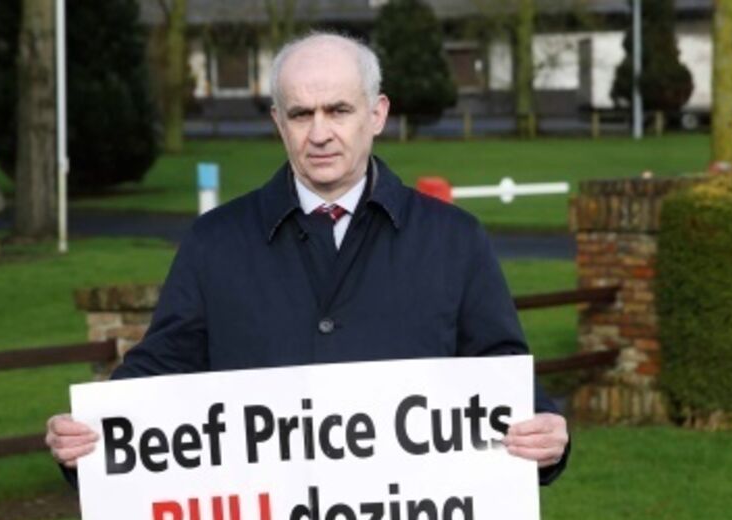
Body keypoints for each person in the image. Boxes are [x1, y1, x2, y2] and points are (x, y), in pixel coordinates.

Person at [46, 32, 569, 482]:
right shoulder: (215, 243)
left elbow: (501, 377)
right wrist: (90, 434)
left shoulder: (454, 240)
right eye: (301, 114)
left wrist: (543, 429)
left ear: (377, 113)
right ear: (279, 121)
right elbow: (162, 368)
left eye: (338, 110)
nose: (319, 134)